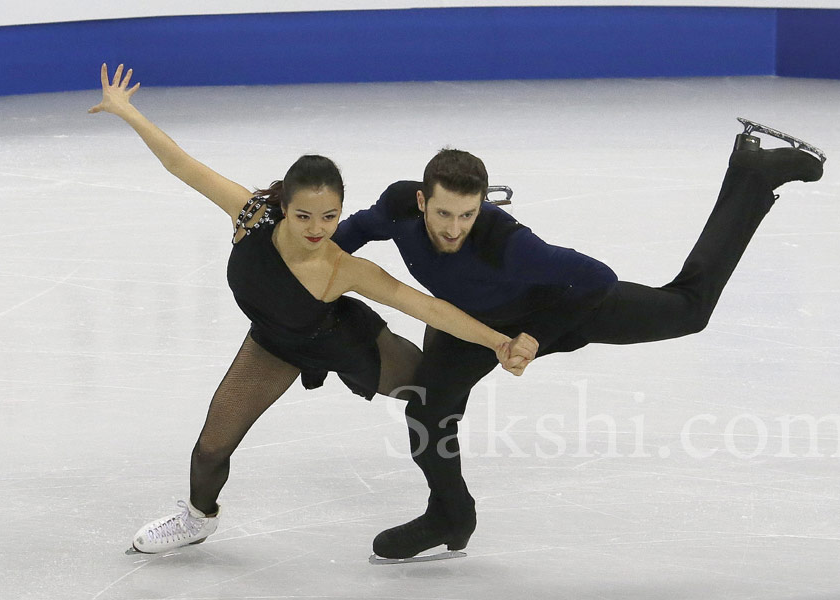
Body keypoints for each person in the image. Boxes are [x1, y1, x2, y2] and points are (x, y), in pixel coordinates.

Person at [88, 64, 539, 554]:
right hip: (274, 343)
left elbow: (424, 306)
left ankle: (452, 511)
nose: (317, 228)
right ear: (283, 207)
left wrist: (498, 341)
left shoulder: (343, 268)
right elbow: (180, 164)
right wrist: (127, 110)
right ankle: (198, 518)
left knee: (433, 397)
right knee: (213, 443)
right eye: (304, 215)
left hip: (346, 343)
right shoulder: (250, 215)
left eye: (330, 217)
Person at [333, 130, 824, 559]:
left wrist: (537, 336)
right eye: (443, 213)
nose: (454, 228)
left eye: (467, 214)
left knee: (689, 311)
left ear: (482, 204)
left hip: (555, 311)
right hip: (466, 324)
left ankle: (753, 177)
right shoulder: (398, 207)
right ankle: (451, 517)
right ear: (422, 201)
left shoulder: (507, 244)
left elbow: (596, 279)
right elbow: (351, 233)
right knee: (426, 412)